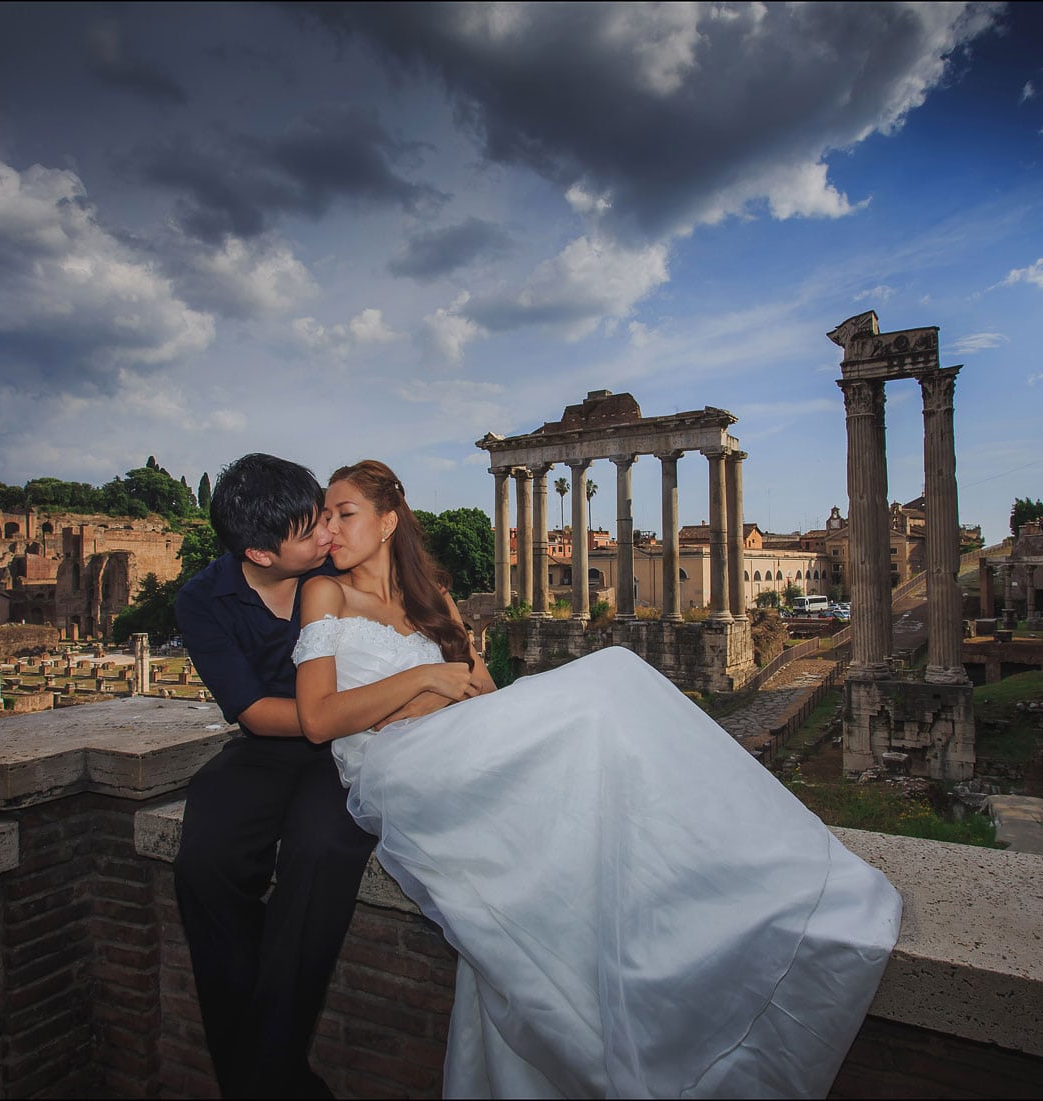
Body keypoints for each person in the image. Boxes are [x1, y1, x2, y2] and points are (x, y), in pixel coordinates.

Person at [291, 460, 903, 1098]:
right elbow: (319, 718)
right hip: (393, 767)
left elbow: (484, 692)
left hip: (455, 744)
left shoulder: (432, 599)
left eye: (343, 513)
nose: (328, 528)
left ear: (388, 522)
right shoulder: (325, 593)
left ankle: (733, 859)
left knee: (615, 682)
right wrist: (424, 681)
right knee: (608, 681)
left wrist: (440, 694)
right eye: (326, 515)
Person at [172, 455, 450, 1098]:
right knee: (204, 864)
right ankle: (265, 1072)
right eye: (310, 529)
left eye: (326, 516)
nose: (327, 533)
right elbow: (254, 713)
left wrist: (375, 712)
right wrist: (354, 710)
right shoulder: (203, 599)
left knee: (322, 851)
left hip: (347, 752)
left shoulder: (337, 565)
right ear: (261, 554)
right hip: (274, 740)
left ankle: (264, 1070)